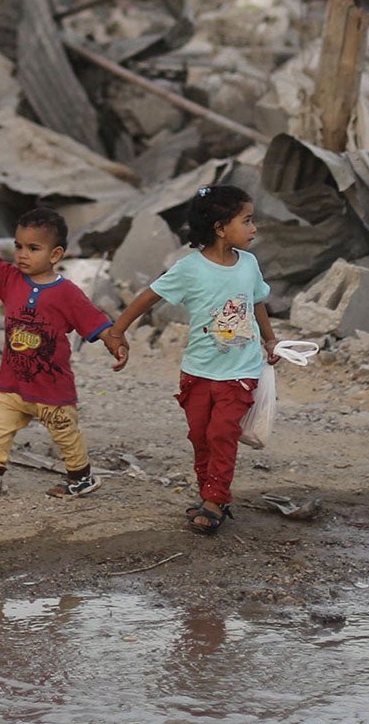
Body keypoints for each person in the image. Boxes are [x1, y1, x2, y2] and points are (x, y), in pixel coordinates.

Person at [103, 184, 276, 534]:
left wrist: (271, 339)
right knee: (200, 435)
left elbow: (256, 300)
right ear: (220, 227)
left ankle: (215, 500)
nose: (254, 228)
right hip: (197, 372)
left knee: (222, 433)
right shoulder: (190, 269)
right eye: (247, 220)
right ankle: (209, 493)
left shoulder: (249, 265)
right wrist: (117, 331)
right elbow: (148, 298)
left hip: (240, 371)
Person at [0, 205, 113, 500]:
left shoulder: (67, 293)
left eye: (33, 248)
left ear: (55, 255)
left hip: (51, 387)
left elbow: (95, 321)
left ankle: (81, 477)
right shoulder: (9, 279)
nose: (22, 254)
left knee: (65, 434)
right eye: (19, 246)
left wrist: (116, 342)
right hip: (12, 383)